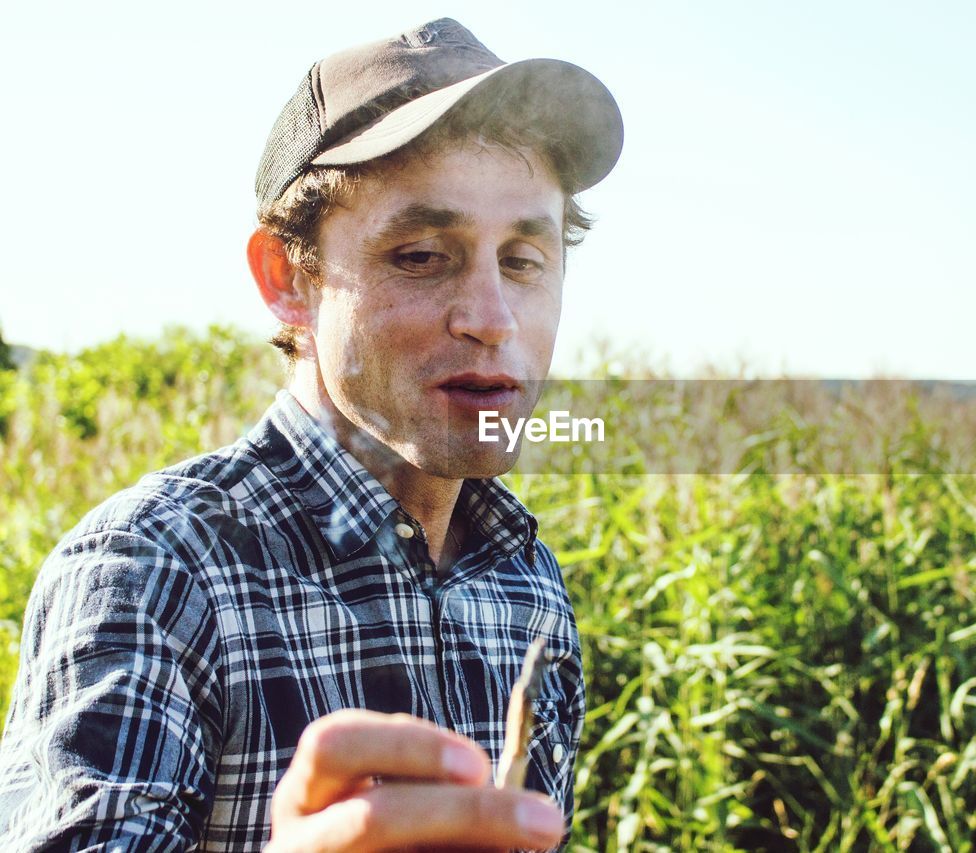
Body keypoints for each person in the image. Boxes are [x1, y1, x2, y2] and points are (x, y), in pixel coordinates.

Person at [0, 17, 623, 852]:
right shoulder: (154, 570)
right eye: (421, 255)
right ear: (288, 280)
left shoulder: (526, 581)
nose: (492, 320)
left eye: (522, 260)